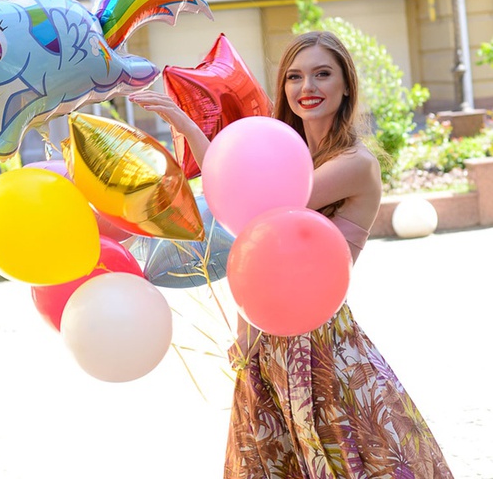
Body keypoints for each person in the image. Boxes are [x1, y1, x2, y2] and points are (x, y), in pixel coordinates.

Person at [129, 30, 453, 478]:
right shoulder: (285, 154)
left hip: (322, 345)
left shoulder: (356, 163)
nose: (308, 88)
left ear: (346, 86)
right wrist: (186, 126)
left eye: (323, 74)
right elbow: (244, 209)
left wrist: (194, 134)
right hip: (265, 341)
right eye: (295, 77)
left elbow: (258, 207)